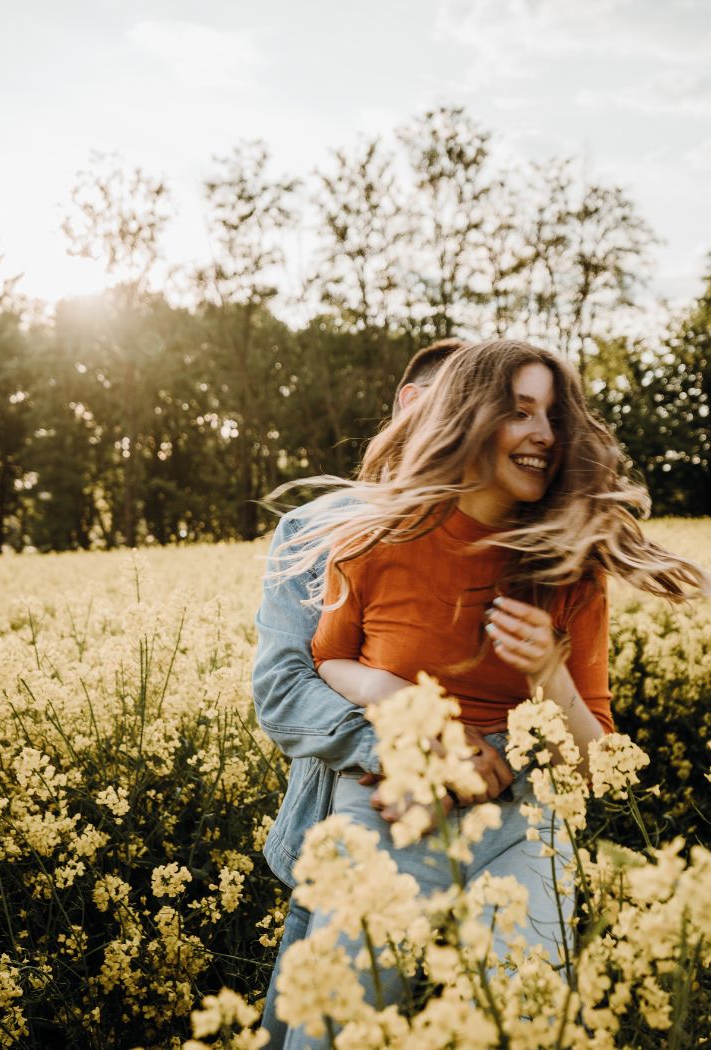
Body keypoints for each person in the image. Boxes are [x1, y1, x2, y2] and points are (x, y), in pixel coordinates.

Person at [255, 339, 708, 1049]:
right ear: (461, 416)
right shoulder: (364, 536)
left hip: (520, 812)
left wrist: (548, 672)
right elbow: (319, 670)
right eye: (519, 411)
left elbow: (596, 767)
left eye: (552, 417)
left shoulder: (570, 566)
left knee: (522, 1026)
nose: (543, 434)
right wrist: (415, 722)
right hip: (385, 798)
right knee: (331, 1028)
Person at [253, 339, 515, 1048]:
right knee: (320, 1030)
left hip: (502, 839)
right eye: (459, 405)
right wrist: (404, 748)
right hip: (359, 819)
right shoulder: (319, 526)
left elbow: (547, 697)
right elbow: (282, 690)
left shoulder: (522, 534)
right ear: (412, 403)